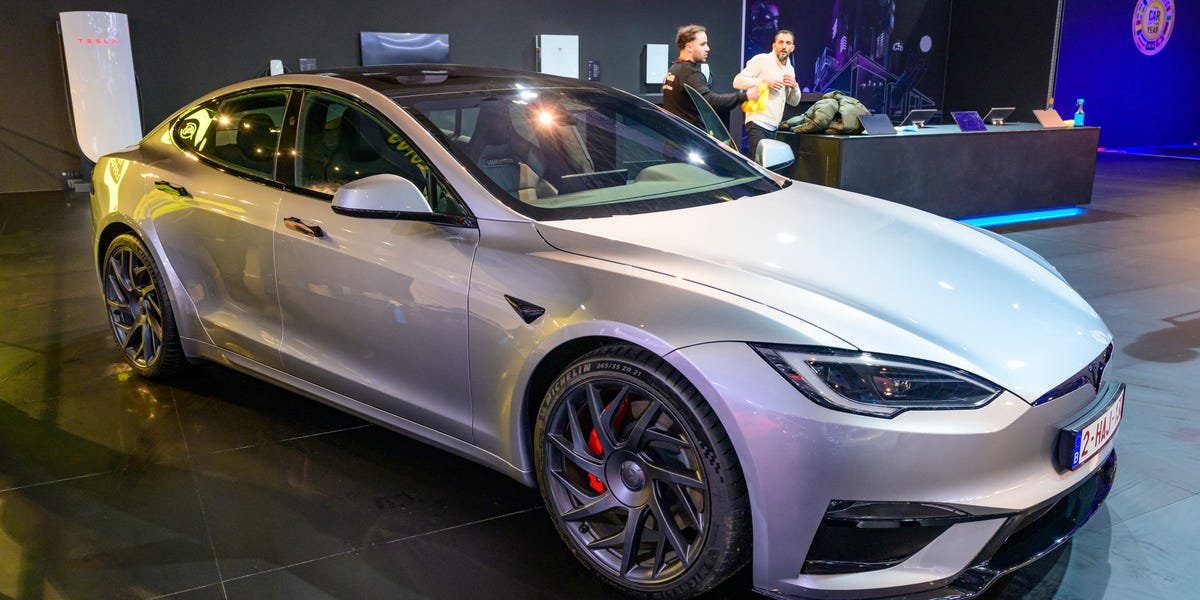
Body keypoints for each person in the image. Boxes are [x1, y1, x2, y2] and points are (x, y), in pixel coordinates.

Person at [662, 25, 758, 129]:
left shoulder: (673, 69)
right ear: (689, 47)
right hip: (688, 141)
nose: (707, 48)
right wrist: (745, 96)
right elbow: (711, 102)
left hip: (675, 137)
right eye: (703, 44)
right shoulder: (690, 73)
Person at [733, 29, 801, 156]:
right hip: (757, 121)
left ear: (792, 47)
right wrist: (764, 82)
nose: (784, 46)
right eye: (780, 42)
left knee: (767, 167)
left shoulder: (790, 69)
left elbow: (793, 102)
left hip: (774, 127)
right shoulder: (762, 60)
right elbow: (737, 81)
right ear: (774, 46)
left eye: (787, 43)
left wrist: (795, 87)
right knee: (760, 165)